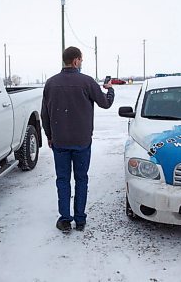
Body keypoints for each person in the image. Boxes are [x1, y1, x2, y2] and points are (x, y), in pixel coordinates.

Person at [41, 46, 114, 233]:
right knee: (81, 179)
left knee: (63, 180)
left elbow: (45, 114)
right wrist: (109, 90)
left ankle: (65, 219)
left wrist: (50, 136)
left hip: (60, 142)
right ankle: (80, 220)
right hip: (82, 142)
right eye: (81, 60)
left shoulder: (50, 83)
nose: (81, 63)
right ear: (75, 61)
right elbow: (105, 104)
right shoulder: (87, 82)